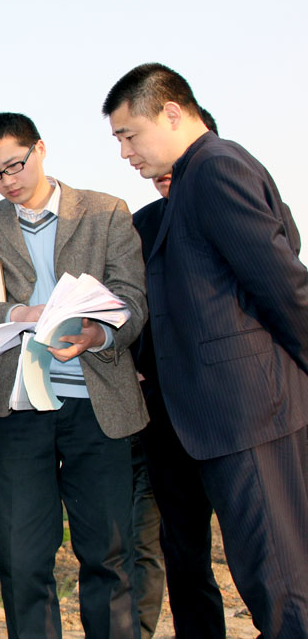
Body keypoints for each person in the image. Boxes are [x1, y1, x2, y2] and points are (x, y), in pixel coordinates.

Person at [104, 62, 308, 638]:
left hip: (248, 414)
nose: (124, 152)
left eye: (129, 135)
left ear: (171, 113)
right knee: (270, 580)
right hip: (223, 419)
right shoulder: (190, 185)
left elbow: (282, 285)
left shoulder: (216, 168)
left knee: (281, 584)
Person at [0, 112, 148, 637]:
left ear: (40, 149)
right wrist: (18, 313)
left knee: (108, 555)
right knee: (21, 560)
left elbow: (132, 299)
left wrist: (97, 334)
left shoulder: (106, 212)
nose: (7, 181)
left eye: (14, 165)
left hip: (98, 407)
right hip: (17, 409)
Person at [130, 107, 226, 639]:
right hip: (164, 418)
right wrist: (131, 364)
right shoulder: (138, 226)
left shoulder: (234, 205)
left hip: (230, 411)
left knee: (259, 544)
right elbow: (122, 308)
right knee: (183, 553)